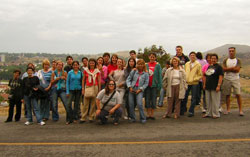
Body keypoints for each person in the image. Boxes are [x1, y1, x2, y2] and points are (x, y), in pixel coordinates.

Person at [222, 47, 244, 116]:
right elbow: (224, 69)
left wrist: (228, 69)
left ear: (235, 52)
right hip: (227, 78)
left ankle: (240, 110)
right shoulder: (225, 60)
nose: (231, 52)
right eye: (230, 51)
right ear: (228, 52)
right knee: (227, 94)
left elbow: (237, 70)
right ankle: (228, 109)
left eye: (232, 51)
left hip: (235, 79)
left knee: (238, 94)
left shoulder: (238, 60)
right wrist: (232, 68)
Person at [126, 59, 149, 123]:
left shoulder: (146, 73)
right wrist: (129, 87)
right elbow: (128, 79)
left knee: (139, 104)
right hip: (132, 89)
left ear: (143, 65)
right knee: (131, 104)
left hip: (140, 89)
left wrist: (141, 89)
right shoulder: (134, 71)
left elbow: (146, 83)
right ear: (137, 65)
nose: (140, 65)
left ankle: (142, 118)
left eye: (141, 64)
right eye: (139, 64)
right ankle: (133, 118)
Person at [181, 52, 202, 117]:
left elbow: (200, 74)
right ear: (189, 56)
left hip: (194, 83)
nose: (192, 57)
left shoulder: (198, 64)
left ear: (195, 57)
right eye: (191, 55)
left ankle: (191, 111)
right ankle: (183, 109)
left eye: (193, 55)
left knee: (193, 97)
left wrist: (195, 79)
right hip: (187, 82)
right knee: (184, 96)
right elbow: (184, 72)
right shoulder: (187, 64)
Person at [203, 54, 224, 119]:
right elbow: (206, 76)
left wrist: (218, 86)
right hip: (208, 86)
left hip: (215, 86)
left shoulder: (219, 67)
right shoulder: (209, 67)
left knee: (215, 100)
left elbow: (221, 77)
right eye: (212, 58)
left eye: (215, 58)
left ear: (217, 59)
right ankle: (208, 113)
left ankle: (215, 113)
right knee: (208, 100)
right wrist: (204, 84)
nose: (213, 60)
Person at [80, 59, 101, 123]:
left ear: (95, 64)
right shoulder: (86, 71)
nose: (92, 64)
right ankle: (83, 117)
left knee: (93, 103)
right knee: (85, 103)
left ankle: (91, 117)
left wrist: (99, 90)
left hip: (95, 87)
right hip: (88, 87)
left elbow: (99, 81)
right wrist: (83, 89)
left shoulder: (97, 71)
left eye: (93, 63)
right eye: (90, 63)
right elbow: (83, 80)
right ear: (89, 63)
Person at [145, 52, 162, 120]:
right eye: (151, 56)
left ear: (155, 58)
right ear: (149, 57)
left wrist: (159, 85)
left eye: (153, 57)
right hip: (147, 85)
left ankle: (152, 114)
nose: (152, 58)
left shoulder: (157, 65)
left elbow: (159, 75)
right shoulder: (146, 65)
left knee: (153, 100)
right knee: (147, 99)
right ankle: (148, 114)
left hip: (154, 85)